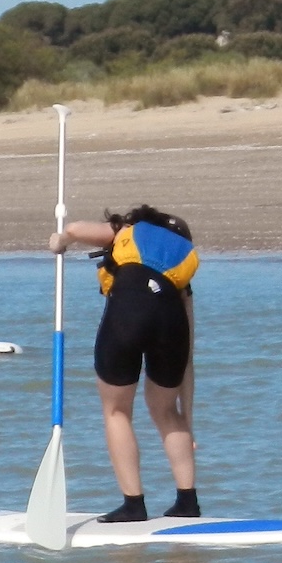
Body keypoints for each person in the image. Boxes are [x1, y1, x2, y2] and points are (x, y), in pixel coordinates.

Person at [47, 205, 200, 522]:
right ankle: (187, 503)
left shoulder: (128, 231)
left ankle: (134, 504)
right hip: (171, 319)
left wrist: (59, 241)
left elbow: (76, 228)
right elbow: (188, 363)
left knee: (116, 410)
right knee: (166, 410)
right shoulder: (181, 279)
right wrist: (189, 420)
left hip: (129, 308)